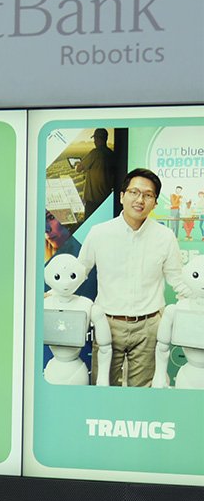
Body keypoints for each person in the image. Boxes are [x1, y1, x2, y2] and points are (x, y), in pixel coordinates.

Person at [77, 167, 188, 387]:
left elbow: (178, 280)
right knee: (103, 389)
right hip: (107, 323)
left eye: (148, 195)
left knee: (142, 393)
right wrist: (53, 293)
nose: (140, 200)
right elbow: (79, 272)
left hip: (149, 325)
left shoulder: (165, 237)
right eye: (134, 192)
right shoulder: (99, 233)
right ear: (122, 196)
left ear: (155, 203)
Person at [75, 128, 117, 221]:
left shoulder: (95, 153)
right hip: (106, 198)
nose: (94, 141)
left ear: (98, 139)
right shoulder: (111, 154)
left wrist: (76, 165)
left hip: (93, 200)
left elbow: (79, 169)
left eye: (95, 139)